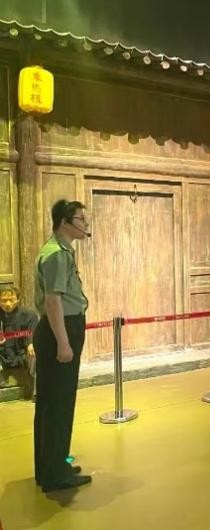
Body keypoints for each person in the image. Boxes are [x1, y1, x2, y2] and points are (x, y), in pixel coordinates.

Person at [33, 199, 92, 492]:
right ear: (65, 222)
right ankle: (56, 474)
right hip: (61, 329)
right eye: (81, 219)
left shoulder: (58, 250)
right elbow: (53, 301)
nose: (85, 224)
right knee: (58, 403)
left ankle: (51, 466)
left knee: (51, 403)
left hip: (60, 328)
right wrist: (64, 343)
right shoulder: (57, 254)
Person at [0, 285, 39, 399]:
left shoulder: (29, 315)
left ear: (17, 300)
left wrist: (31, 343)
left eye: (11, 300)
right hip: (2, 355)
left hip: (21, 354)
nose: (8, 304)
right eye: (4, 300)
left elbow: (33, 332)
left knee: (36, 354)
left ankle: (37, 393)